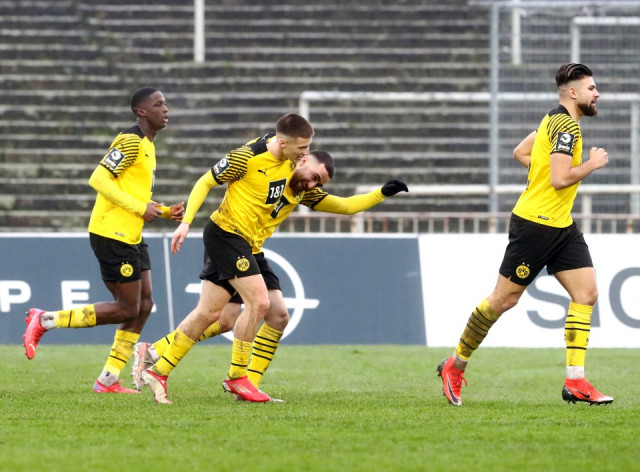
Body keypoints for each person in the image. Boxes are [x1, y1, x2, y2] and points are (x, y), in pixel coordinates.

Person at [137, 116, 408, 403]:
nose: (312, 184)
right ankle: (237, 378)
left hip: (250, 247)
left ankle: (159, 363)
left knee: (259, 315)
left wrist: (382, 193)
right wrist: (186, 222)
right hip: (227, 235)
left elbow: (345, 206)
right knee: (259, 302)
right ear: (291, 150)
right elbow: (205, 181)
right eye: (303, 152)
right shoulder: (248, 157)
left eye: (317, 180)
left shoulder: (297, 180)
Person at [437, 63, 613, 406]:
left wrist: (544, 172)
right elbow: (560, 179)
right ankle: (454, 366)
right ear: (573, 92)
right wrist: (592, 163)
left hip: (561, 225)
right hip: (535, 225)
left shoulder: (552, 119)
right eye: (591, 88)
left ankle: (576, 382)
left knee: (586, 293)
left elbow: (521, 153)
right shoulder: (566, 127)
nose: (597, 93)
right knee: (503, 300)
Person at [22, 87, 185, 394]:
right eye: (158, 104)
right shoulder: (131, 140)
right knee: (127, 309)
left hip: (131, 233)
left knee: (145, 304)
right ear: (141, 112)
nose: (165, 109)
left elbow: (134, 194)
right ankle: (45, 320)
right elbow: (98, 178)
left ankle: (108, 379)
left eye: (165, 104)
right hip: (112, 232)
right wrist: (140, 208)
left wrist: (165, 212)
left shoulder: (148, 145)